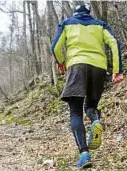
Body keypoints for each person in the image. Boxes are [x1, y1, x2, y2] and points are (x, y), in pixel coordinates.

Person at [51, 3, 123, 168]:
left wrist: (61, 61)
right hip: (98, 68)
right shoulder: (100, 25)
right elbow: (114, 42)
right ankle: (95, 119)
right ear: (89, 13)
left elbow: (55, 47)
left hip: (77, 66)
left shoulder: (67, 23)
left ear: (75, 13)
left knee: (75, 112)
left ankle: (84, 154)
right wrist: (117, 70)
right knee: (91, 106)